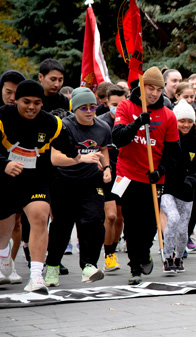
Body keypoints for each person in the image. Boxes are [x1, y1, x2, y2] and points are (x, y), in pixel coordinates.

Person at [0, 80, 81, 293]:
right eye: (26, 102)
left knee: (40, 215)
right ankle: (3, 253)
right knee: (5, 227)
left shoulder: (51, 123)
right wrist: (5, 164)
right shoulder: (2, 117)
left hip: (36, 178)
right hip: (5, 177)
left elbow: (68, 144)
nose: (31, 107)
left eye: (37, 103)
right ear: (15, 100)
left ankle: (36, 276)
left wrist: (79, 156)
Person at [112, 67, 180, 285]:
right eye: (150, 88)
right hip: (128, 174)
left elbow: (174, 152)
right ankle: (135, 267)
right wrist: (137, 123)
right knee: (132, 222)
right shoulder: (125, 106)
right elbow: (118, 138)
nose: (154, 93)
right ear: (141, 87)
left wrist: (161, 170)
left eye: (159, 89)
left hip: (153, 177)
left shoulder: (168, 115)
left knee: (150, 224)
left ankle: (144, 252)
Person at [44, 87, 112, 287]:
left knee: (94, 221)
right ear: (74, 109)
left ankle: (89, 265)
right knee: (62, 226)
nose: (89, 111)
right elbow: (55, 158)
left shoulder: (102, 127)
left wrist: (106, 168)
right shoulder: (63, 127)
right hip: (64, 180)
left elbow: (102, 149)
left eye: (93, 107)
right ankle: (53, 266)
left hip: (91, 182)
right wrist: (80, 158)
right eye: (84, 108)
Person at [161, 100, 196, 273]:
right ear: (175, 121)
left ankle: (178, 258)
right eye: (182, 121)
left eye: (189, 121)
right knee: (172, 219)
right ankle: (166, 257)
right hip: (167, 188)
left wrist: (193, 179)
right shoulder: (168, 137)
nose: (186, 125)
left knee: (183, 230)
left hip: (187, 191)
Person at [97, 85, 127, 272]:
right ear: (107, 103)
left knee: (120, 218)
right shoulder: (100, 123)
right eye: (114, 104)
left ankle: (112, 250)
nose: (117, 108)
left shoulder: (131, 122)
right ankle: (108, 255)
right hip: (106, 174)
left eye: (121, 104)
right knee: (111, 215)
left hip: (126, 175)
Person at [0, 70, 26, 285]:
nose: (12, 97)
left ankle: (9, 263)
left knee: (16, 222)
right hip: (2, 169)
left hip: (18, 174)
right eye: (8, 92)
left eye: (16, 94)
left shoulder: (25, 114)